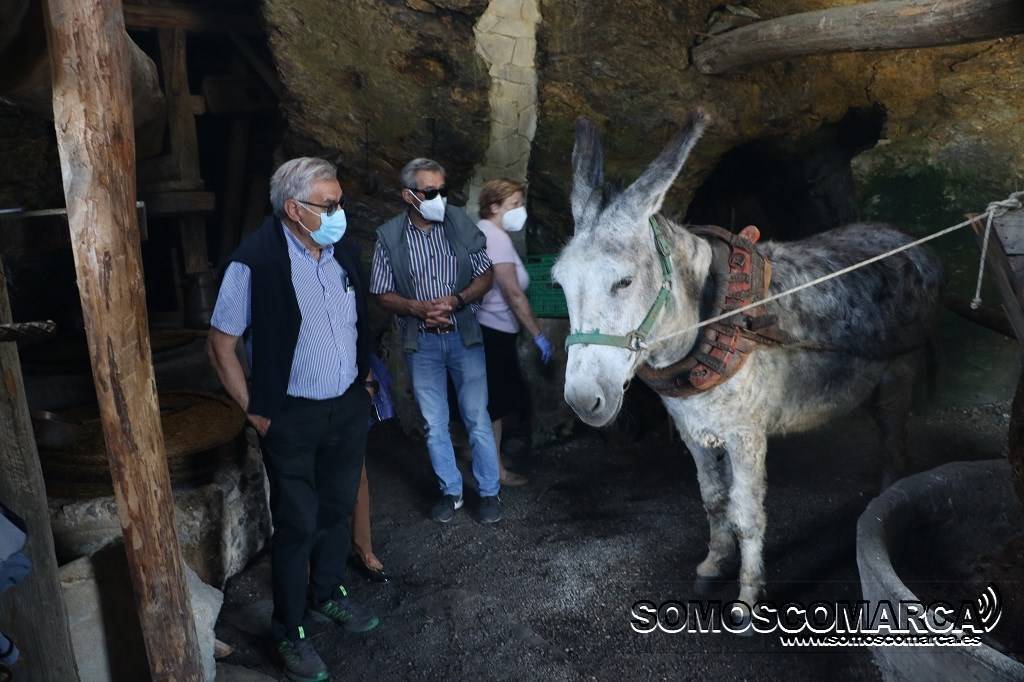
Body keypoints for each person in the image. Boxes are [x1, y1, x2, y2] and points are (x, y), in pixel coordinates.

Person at [207, 157, 378, 681]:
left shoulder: (341, 251)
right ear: (294, 209)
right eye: (329, 204)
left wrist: (364, 380)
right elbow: (221, 345)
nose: (339, 212)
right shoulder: (253, 263)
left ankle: (326, 592)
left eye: (339, 202)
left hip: (346, 406)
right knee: (298, 522)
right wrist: (257, 413)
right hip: (290, 416)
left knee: (337, 507)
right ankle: (289, 628)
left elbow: (355, 322)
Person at [370, 158, 503, 525]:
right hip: (422, 344)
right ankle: (451, 491)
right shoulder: (389, 237)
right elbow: (381, 292)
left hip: (464, 337)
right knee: (434, 423)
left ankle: (489, 493)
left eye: (443, 191)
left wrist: (457, 300)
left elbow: (486, 274)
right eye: (430, 192)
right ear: (408, 195)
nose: (439, 199)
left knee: (477, 418)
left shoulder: (458, 222)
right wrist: (415, 308)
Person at [475, 179, 553, 487]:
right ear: (494, 207)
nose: (521, 211)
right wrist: (537, 334)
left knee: (495, 400)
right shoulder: (495, 238)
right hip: (492, 330)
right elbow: (514, 293)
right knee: (495, 404)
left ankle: (487, 457)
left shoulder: (486, 232)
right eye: (514, 205)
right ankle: (495, 471)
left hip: (493, 328)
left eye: (521, 204)